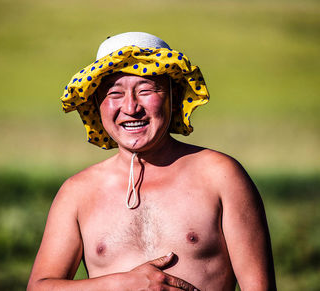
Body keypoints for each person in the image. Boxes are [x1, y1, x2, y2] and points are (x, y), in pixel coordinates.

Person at [27, 32, 276, 291]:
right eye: (114, 94)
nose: (131, 107)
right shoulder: (77, 192)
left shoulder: (220, 176)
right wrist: (122, 284)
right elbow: (39, 287)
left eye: (146, 90)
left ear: (173, 97)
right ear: (96, 104)